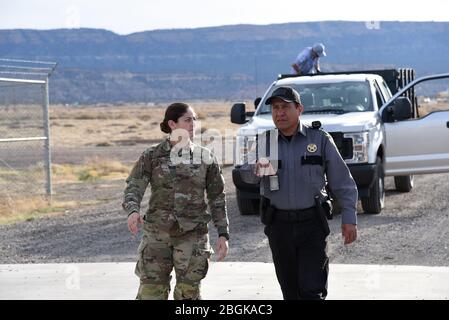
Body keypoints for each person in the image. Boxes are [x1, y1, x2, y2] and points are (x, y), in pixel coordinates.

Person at [240, 86, 358, 300]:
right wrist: (255, 169)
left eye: (285, 107)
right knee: (290, 292)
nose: (279, 113)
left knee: (312, 290)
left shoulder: (319, 139)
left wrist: (349, 218)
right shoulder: (265, 142)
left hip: (312, 224)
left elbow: (343, 182)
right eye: (275, 108)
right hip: (279, 227)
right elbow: (246, 175)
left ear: (299, 109)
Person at [122, 102, 229, 300]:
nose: (193, 125)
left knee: (188, 295)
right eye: (187, 120)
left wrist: (223, 233)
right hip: (157, 237)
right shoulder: (152, 156)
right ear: (172, 124)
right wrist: (133, 210)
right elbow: (134, 186)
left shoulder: (205, 157)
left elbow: (217, 198)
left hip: (192, 237)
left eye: (194, 120)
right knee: (150, 293)